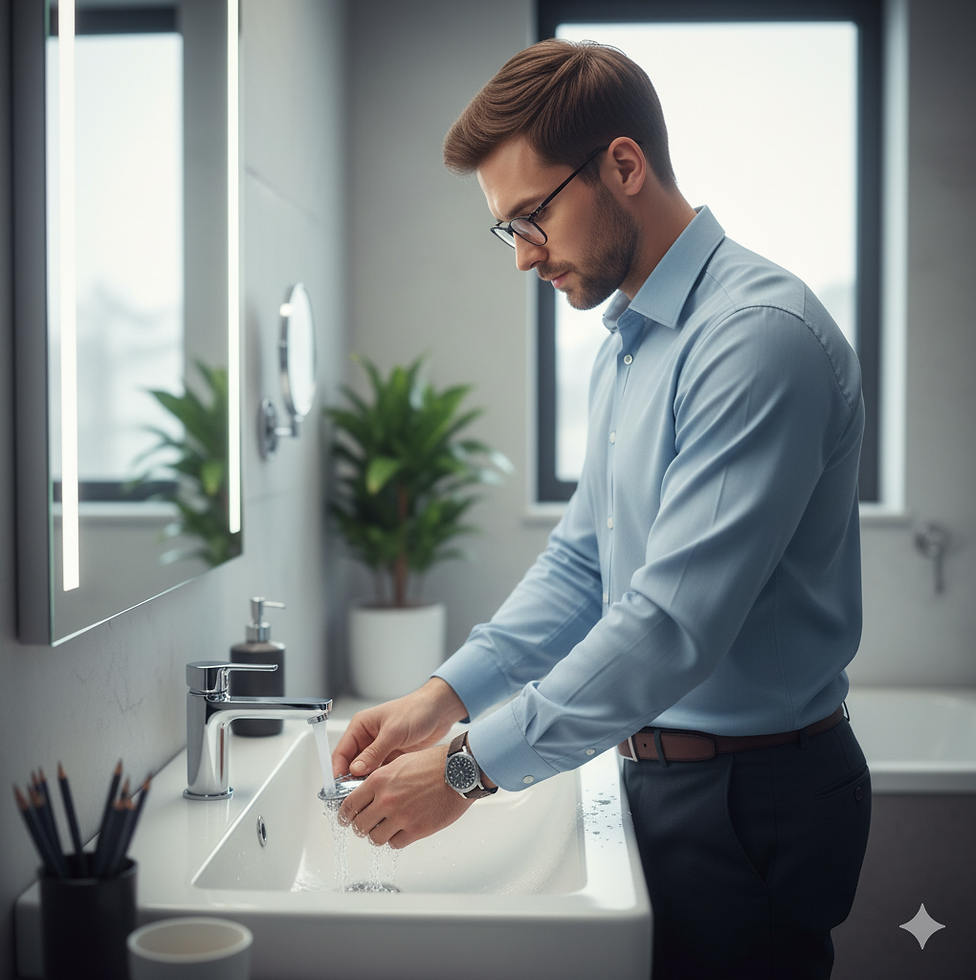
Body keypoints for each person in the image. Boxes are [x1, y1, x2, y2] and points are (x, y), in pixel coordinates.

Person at [332, 38, 871, 980]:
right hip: (668, 774)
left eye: (532, 217)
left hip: (756, 795)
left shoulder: (756, 341)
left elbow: (670, 625)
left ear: (623, 165)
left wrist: (468, 769)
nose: (523, 257)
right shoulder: (630, 341)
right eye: (507, 231)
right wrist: (441, 698)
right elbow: (584, 566)